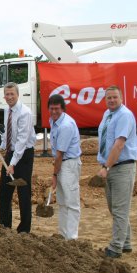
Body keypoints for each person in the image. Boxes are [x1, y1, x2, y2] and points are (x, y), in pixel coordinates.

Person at [96, 85, 137, 258]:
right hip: (110, 166)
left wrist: (106, 167)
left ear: (121, 98)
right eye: (109, 98)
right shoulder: (108, 115)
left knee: (120, 209)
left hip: (122, 167)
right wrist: (105, 165)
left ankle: (115, 248)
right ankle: (126, 242)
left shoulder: (125, 116)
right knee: (115, 208)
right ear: (105, 99)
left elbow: (119, 144)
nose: (112, 100)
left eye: (115, 97)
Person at [0, 82, 36, 233]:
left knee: (23, 193)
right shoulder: (8, 110)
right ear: (4, 96)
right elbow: (7, 131)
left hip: (24, 156)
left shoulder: (25, 113)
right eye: (7, 94)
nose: (9, 97)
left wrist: (12, 164)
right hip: (12, 153)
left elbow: (22, 141)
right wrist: (3, 146)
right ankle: (5, 227)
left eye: (12, 94)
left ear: (18, 95)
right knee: (3, 192)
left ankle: (24, 230)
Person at [48, 94, 82, 240]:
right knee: (62, 202)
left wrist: (54, 175)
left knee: (71, 202)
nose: (54, 111)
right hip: (62, 163)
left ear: (62, 109)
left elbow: (60, 154)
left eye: (57, 109)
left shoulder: (66, 125)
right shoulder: (53, 121)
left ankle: (72, 238)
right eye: (51, 108)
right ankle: (63, 234)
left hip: (69, 164)